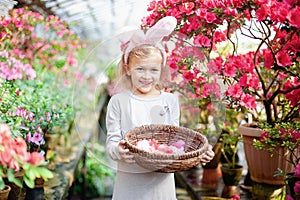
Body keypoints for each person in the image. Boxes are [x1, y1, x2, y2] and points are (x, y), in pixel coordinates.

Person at [106, 16, 215, 200]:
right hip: (130, 183)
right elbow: (111, 141)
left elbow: (176, 140)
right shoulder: (118, 101)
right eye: (140, 69)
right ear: (127, 69)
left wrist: (200, 151)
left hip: (160, 184)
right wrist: (119, 150)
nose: (147, 76)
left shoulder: (169, 100)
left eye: (153, 70)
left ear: (161, 69)